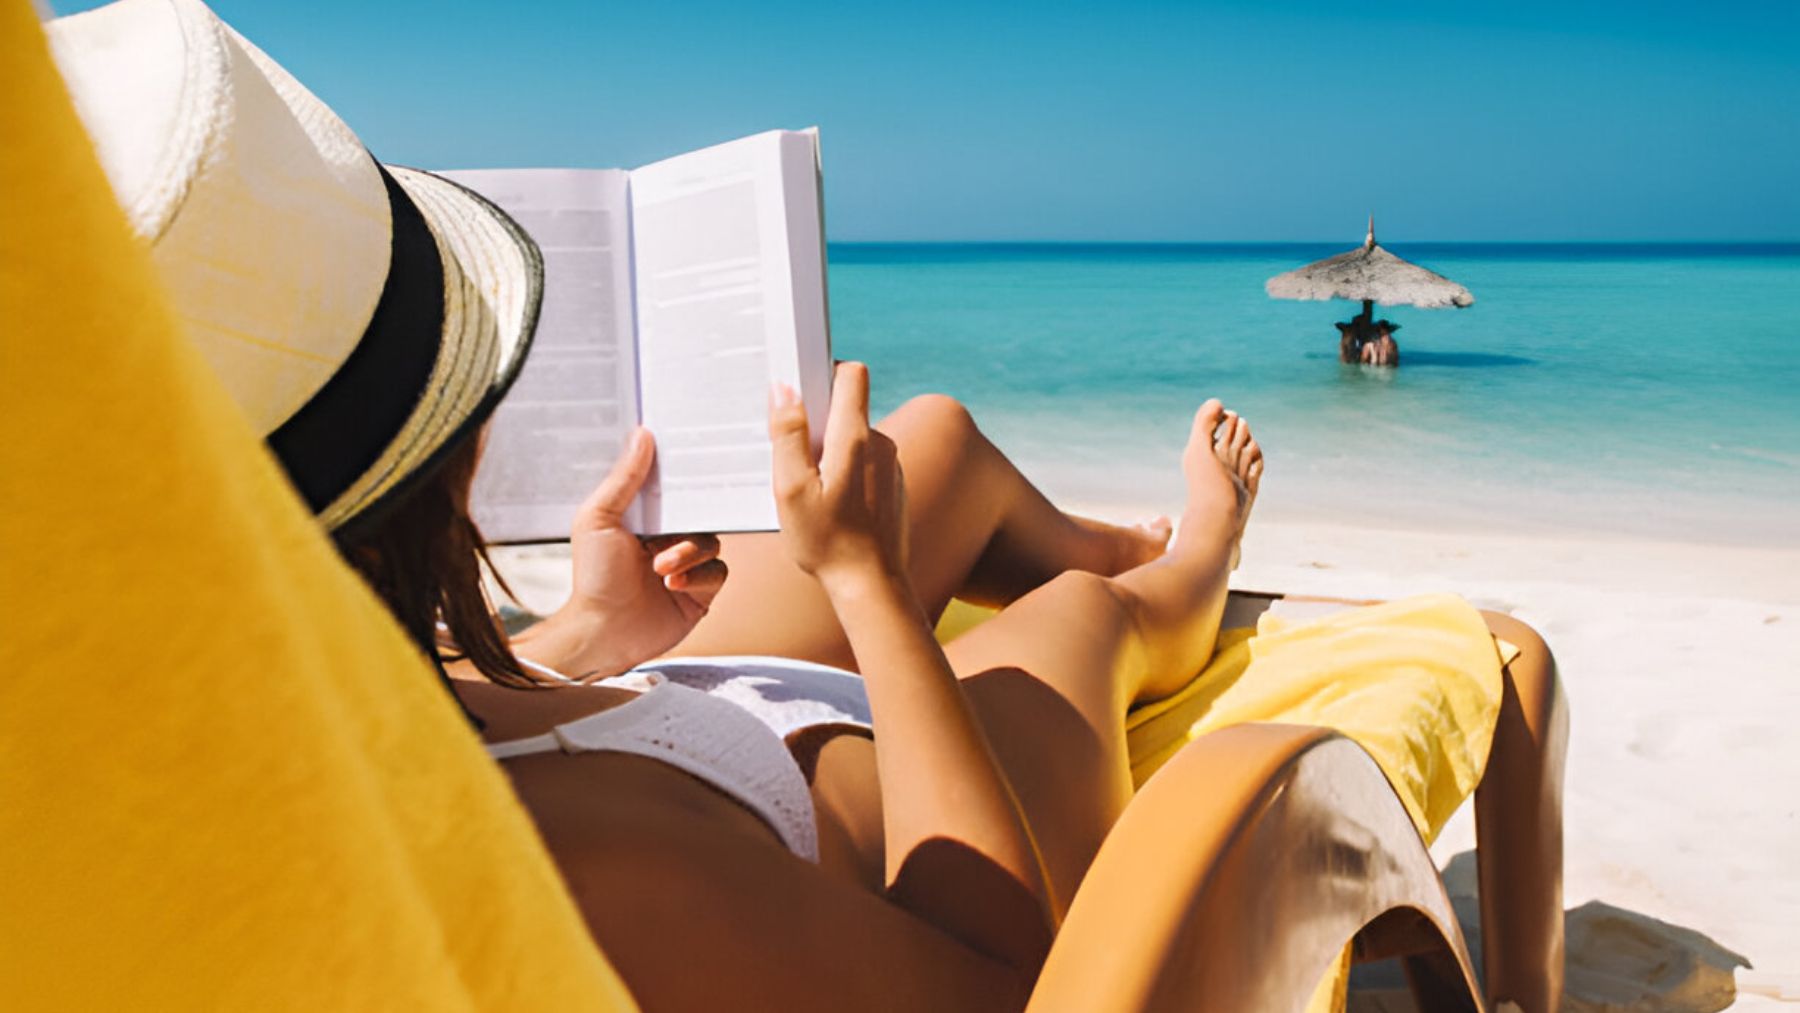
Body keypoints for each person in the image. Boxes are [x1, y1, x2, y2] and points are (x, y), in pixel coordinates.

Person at [50, 2, 1566, 1009]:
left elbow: (439, 701)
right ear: (427, 478)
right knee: (1078, 619)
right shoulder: (589, 876)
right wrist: (863, 597)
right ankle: (1190, 566)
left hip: (668, 706)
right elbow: (1003, 976)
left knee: (934, 440)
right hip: (899, 825)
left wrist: (585, 625)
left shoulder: (285, 711)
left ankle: (1084, 539)